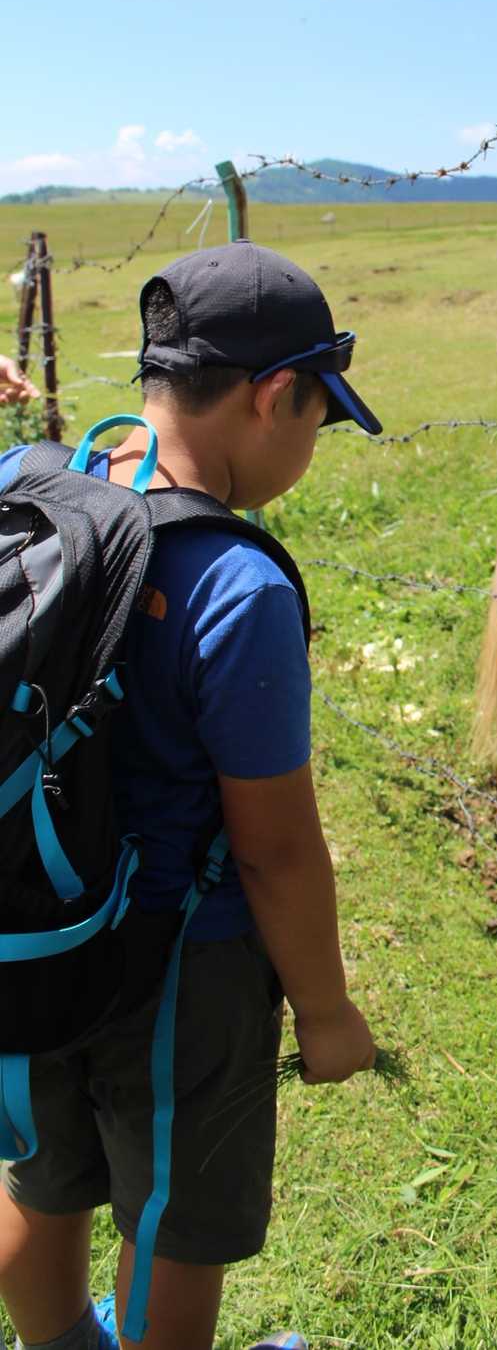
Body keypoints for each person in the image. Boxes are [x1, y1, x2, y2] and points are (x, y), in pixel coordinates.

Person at [0, 242, 380, 1350]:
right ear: (274, 395)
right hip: (179, 967)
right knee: (171, 1220)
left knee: (37, 1178)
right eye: (319, 416)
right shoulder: (238, 585)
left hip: (23, 925)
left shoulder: (29, 479)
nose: (312, 442)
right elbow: (274, 849)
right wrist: (326, 1013)